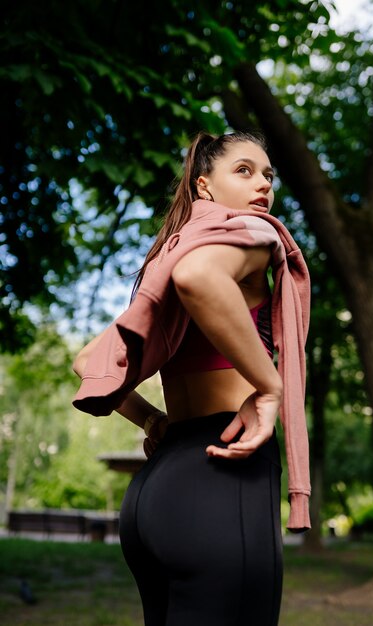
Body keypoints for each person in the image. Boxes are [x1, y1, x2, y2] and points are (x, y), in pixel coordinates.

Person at [72, 131, 311, 626]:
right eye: (243, 171)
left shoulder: (169, 257)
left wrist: (151, 420)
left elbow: (87, 360)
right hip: (224, 476)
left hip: (154, 493)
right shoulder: (255, 233)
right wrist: (269, 387)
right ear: (205, 187)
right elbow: (200, 277)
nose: (263, 184)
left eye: (268, 174)